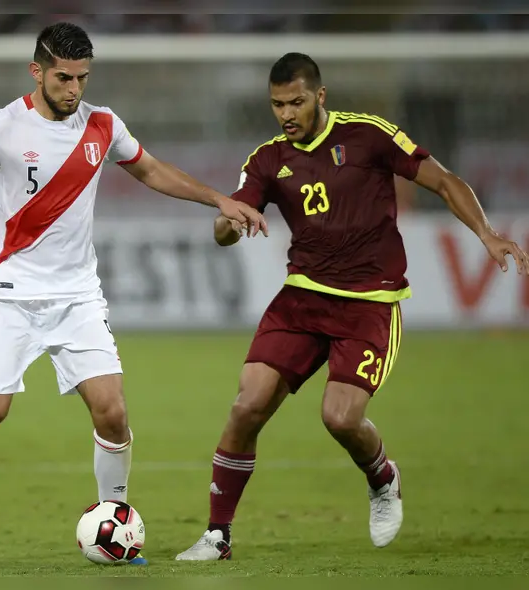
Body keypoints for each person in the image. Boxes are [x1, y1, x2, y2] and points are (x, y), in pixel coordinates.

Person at [0, 22, 267, 564]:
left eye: (81, 77)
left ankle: (115, 520)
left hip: (77, 294)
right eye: (63, 77)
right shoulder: (0, 127)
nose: (74, 88)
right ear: (37, 71)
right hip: (8, 290)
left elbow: (149, 169)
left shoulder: (102, 124)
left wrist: (217, 199)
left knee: (113, 412)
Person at [175, 53, 529, 561]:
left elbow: (445, 180)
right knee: (247, 405)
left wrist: (488, 235)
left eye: (296, 102)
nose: (286, 114)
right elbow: (226, 226)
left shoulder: (368, 136)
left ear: (320, 96)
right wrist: (228, 223)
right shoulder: (268, 159)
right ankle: (217, 535)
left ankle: (382, 478)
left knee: (340, 418)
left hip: (369, 303)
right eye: (277, 105)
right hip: (301, 298)